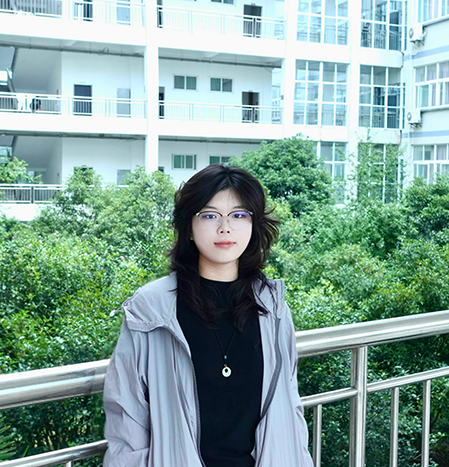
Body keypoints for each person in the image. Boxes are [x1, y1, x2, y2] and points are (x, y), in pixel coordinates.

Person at [103, 164, 313, 467]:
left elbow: (290, 407)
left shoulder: (272, 307)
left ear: (253, 225)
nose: (225, 228)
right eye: (210, 215)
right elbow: (127, 417)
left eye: (239, 215)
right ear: (188, 227)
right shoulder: (152, 310)